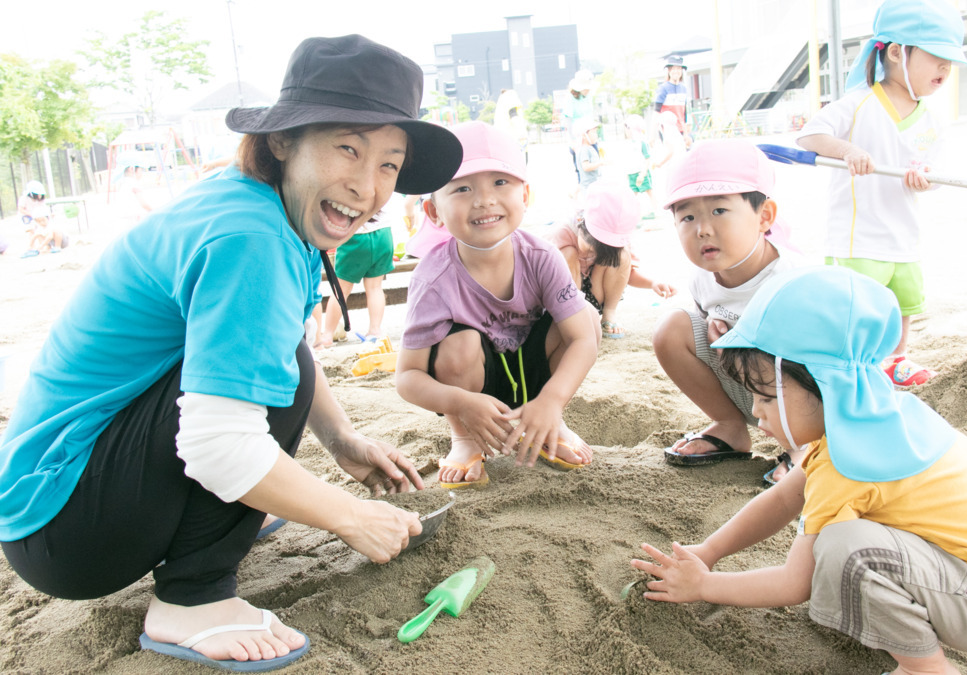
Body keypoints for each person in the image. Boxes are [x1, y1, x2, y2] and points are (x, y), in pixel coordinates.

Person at [0, 34, 463, 672]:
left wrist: (343, 440)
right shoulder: (252, 237)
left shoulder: (257, 198)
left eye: (389, 164)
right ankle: (193, 598)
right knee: (254, 403)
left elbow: (284, 349)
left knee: (280, 365)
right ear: (284, 141)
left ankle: (215, 520)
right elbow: (217, 444)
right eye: (348, 148)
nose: (366, 186)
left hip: (55, 494)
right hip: (67, 525)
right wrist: (352, 517)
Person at [631, 266, 967, 675]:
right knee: (851, 542)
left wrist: (704, 585)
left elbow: (794, 583)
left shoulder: (846, 467)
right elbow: (782, 499)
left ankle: (926, 668)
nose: (756, 412)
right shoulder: (872, 420)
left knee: (843, 547)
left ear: (823, 384)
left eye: (766, 397)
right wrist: (708, 552)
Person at [395, 121, 599, 490]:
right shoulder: (433, 280)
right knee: (459, 343)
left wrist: (552, 401)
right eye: (462, 188)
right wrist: (458, 402)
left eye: (500, 182)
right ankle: (465, 439)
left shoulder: (542, 257)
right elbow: (408, 377)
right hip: (472, 389)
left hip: (535, 378)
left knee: (586, 319)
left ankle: (551, 421)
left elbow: (583, 340)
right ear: (433, 211)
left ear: (526, 195)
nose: (484, 200)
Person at [796, 0, 966, 387]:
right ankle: (853, 365)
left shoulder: (933, 121)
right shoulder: (858, 104)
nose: (945, 68)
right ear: (895, 52)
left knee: (903, 302)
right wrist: (847, 150)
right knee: (858, 308)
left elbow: (937, 173)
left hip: (904, 235)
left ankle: (895, 360)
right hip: (858, 237)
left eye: (950, 62)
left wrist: (928, 178)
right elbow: (809, 136)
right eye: (936, 57)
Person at [652, 139, 801, 476]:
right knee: (671, 330)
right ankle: (729, 425)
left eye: (719, 210)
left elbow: (826, 369)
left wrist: (743, 343)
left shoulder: (791, 281)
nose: (702, 229)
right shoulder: (702, 279)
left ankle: (805, 446)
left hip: (808, 398)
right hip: (751, 391)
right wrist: (724, 341)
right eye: (687, 216)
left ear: (764, 216)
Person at [547, 179, 676, 340]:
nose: (591, 254)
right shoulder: (561, 233)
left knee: (622, 255)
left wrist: (652, 283)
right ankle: (572, 314)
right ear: (581, 225)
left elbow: (626, 274)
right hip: (566, 296)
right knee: (568, 254)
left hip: (595, 294)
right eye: (591, 249)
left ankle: (609, 313)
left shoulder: (617, 242)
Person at [319, 192, 402, 345]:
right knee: (375, 287)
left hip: (356, 236)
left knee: (341, 291)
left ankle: (327, 335)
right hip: (383, 233)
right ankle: (375, 330)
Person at [613, 114, 660, 220]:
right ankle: (632, 214)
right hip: (632, 173)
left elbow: (647, 158)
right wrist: (627, 173)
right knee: (632, 194)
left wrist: (643, 173)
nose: (626, 131)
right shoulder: (628, 143)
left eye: (627, 128)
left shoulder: (642, 142)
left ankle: (655, 211)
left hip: (641, 172)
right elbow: (629, 159)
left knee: (649, 191)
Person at [562, 70, 596, 182]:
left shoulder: (589, 96)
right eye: (585, 88)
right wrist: (573, 141)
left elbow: (590, 115)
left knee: (594, 165)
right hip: (578, 137)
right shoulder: (570, 98)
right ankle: (582, 188)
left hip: (590, 136)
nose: (588, 90)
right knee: (581, 168)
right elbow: (568, 121)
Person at [653, 57, 693, 151]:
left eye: (678, 68)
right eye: (673, 68)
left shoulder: (683, 89)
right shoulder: (663, 88)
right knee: (671, 154)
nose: (676, 71)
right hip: (667, 130)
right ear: (669, 71)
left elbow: (683, 114)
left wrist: (686, 133)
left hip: (680, 130)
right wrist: (652, 135)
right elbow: (656, 112)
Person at [576, 117, 604, 199]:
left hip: (594, 187)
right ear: (584, 135)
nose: (596, 135)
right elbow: (586, 167)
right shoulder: (584, 149)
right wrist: (601, 163)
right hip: (589, 189)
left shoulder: (590, 148)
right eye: (593, 132)